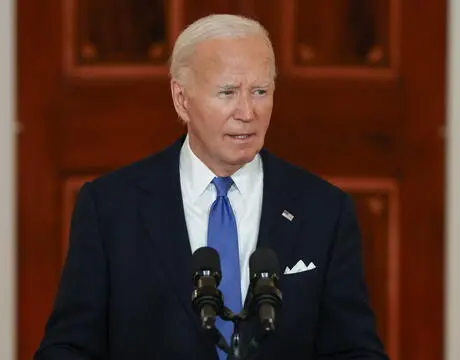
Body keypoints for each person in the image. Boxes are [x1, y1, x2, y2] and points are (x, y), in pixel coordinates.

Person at [34, 14, 388, 360]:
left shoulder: (324, 210)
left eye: (260, 91)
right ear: (181, 98)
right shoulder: (111, 208)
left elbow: (354, 349)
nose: (247, 111)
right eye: (228, 92)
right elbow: (69, 347)